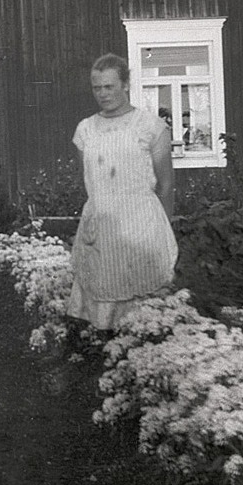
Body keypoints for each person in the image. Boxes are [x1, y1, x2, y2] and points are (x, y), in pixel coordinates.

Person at [67, 53, 178, 330]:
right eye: (97, 88)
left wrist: (163, 233)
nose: (103, 94)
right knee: (99, 320)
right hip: (101, 230)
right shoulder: (85, 130)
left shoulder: (151, 127)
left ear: (126, 85)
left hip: (141, 230)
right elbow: (91, 180)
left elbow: (165, 186)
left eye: (109, 86)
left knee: (144, 319)